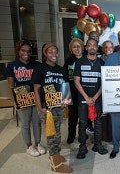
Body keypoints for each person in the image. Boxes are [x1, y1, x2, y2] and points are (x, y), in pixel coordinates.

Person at [32, 42, 72, 173]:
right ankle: (55, 164)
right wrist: (40, 107)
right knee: (52, 134)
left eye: (55, 52)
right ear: (45, 54)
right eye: (50, 52)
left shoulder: (60, 69)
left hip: (59, 107)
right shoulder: (40, 68)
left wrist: (66, 102)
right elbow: (36, 90)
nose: (54, 54)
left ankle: (56, 154)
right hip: (47, 108)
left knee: (58, 132)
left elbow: (65, 89)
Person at [5, 39, 45, 157]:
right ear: (18, 51)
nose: (26, 53)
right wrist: (14, 101)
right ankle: (28, 146)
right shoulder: (12, 66)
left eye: (28, 50)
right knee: (26, 123)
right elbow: (11, 85)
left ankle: (38, 143)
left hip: (36, 96)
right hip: (22, 97)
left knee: (37, 122)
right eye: (23, 50)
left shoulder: (36, 64)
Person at [73, 38, 108, 159]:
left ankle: (98, 145)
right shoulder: (79, 62)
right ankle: (82, 147)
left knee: (98, 123)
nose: (92, 47)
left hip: (97, 98)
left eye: (94, 45)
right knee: (82, 123)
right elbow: (76, 82)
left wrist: (95, 97)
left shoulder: (101, 63)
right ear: (86, 47)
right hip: (83, 99)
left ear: (97, 48)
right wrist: (87, 98)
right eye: (89, 45)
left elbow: (104, 83)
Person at [63, 38, 84, 144]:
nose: (77, 49)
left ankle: (82, 136)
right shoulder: (68, 61)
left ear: (82, 47)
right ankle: (71, 136)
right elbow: (65, 79)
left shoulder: (86, 59)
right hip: (72, 93)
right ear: (71, 49)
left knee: (83, 117)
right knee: (73, 117)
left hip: (84, 93)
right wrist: (65, 97)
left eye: (78, 46)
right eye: (74, 47)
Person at [100, 40, 114, 142]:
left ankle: (114, 136)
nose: (108, 49)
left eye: (110, 47)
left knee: (113, 116)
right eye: (106, 47)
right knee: (103, 116)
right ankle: (105, 137)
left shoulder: (117, 59)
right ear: (103, 49)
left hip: (114, 91)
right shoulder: (99, 60)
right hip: (102, 91)